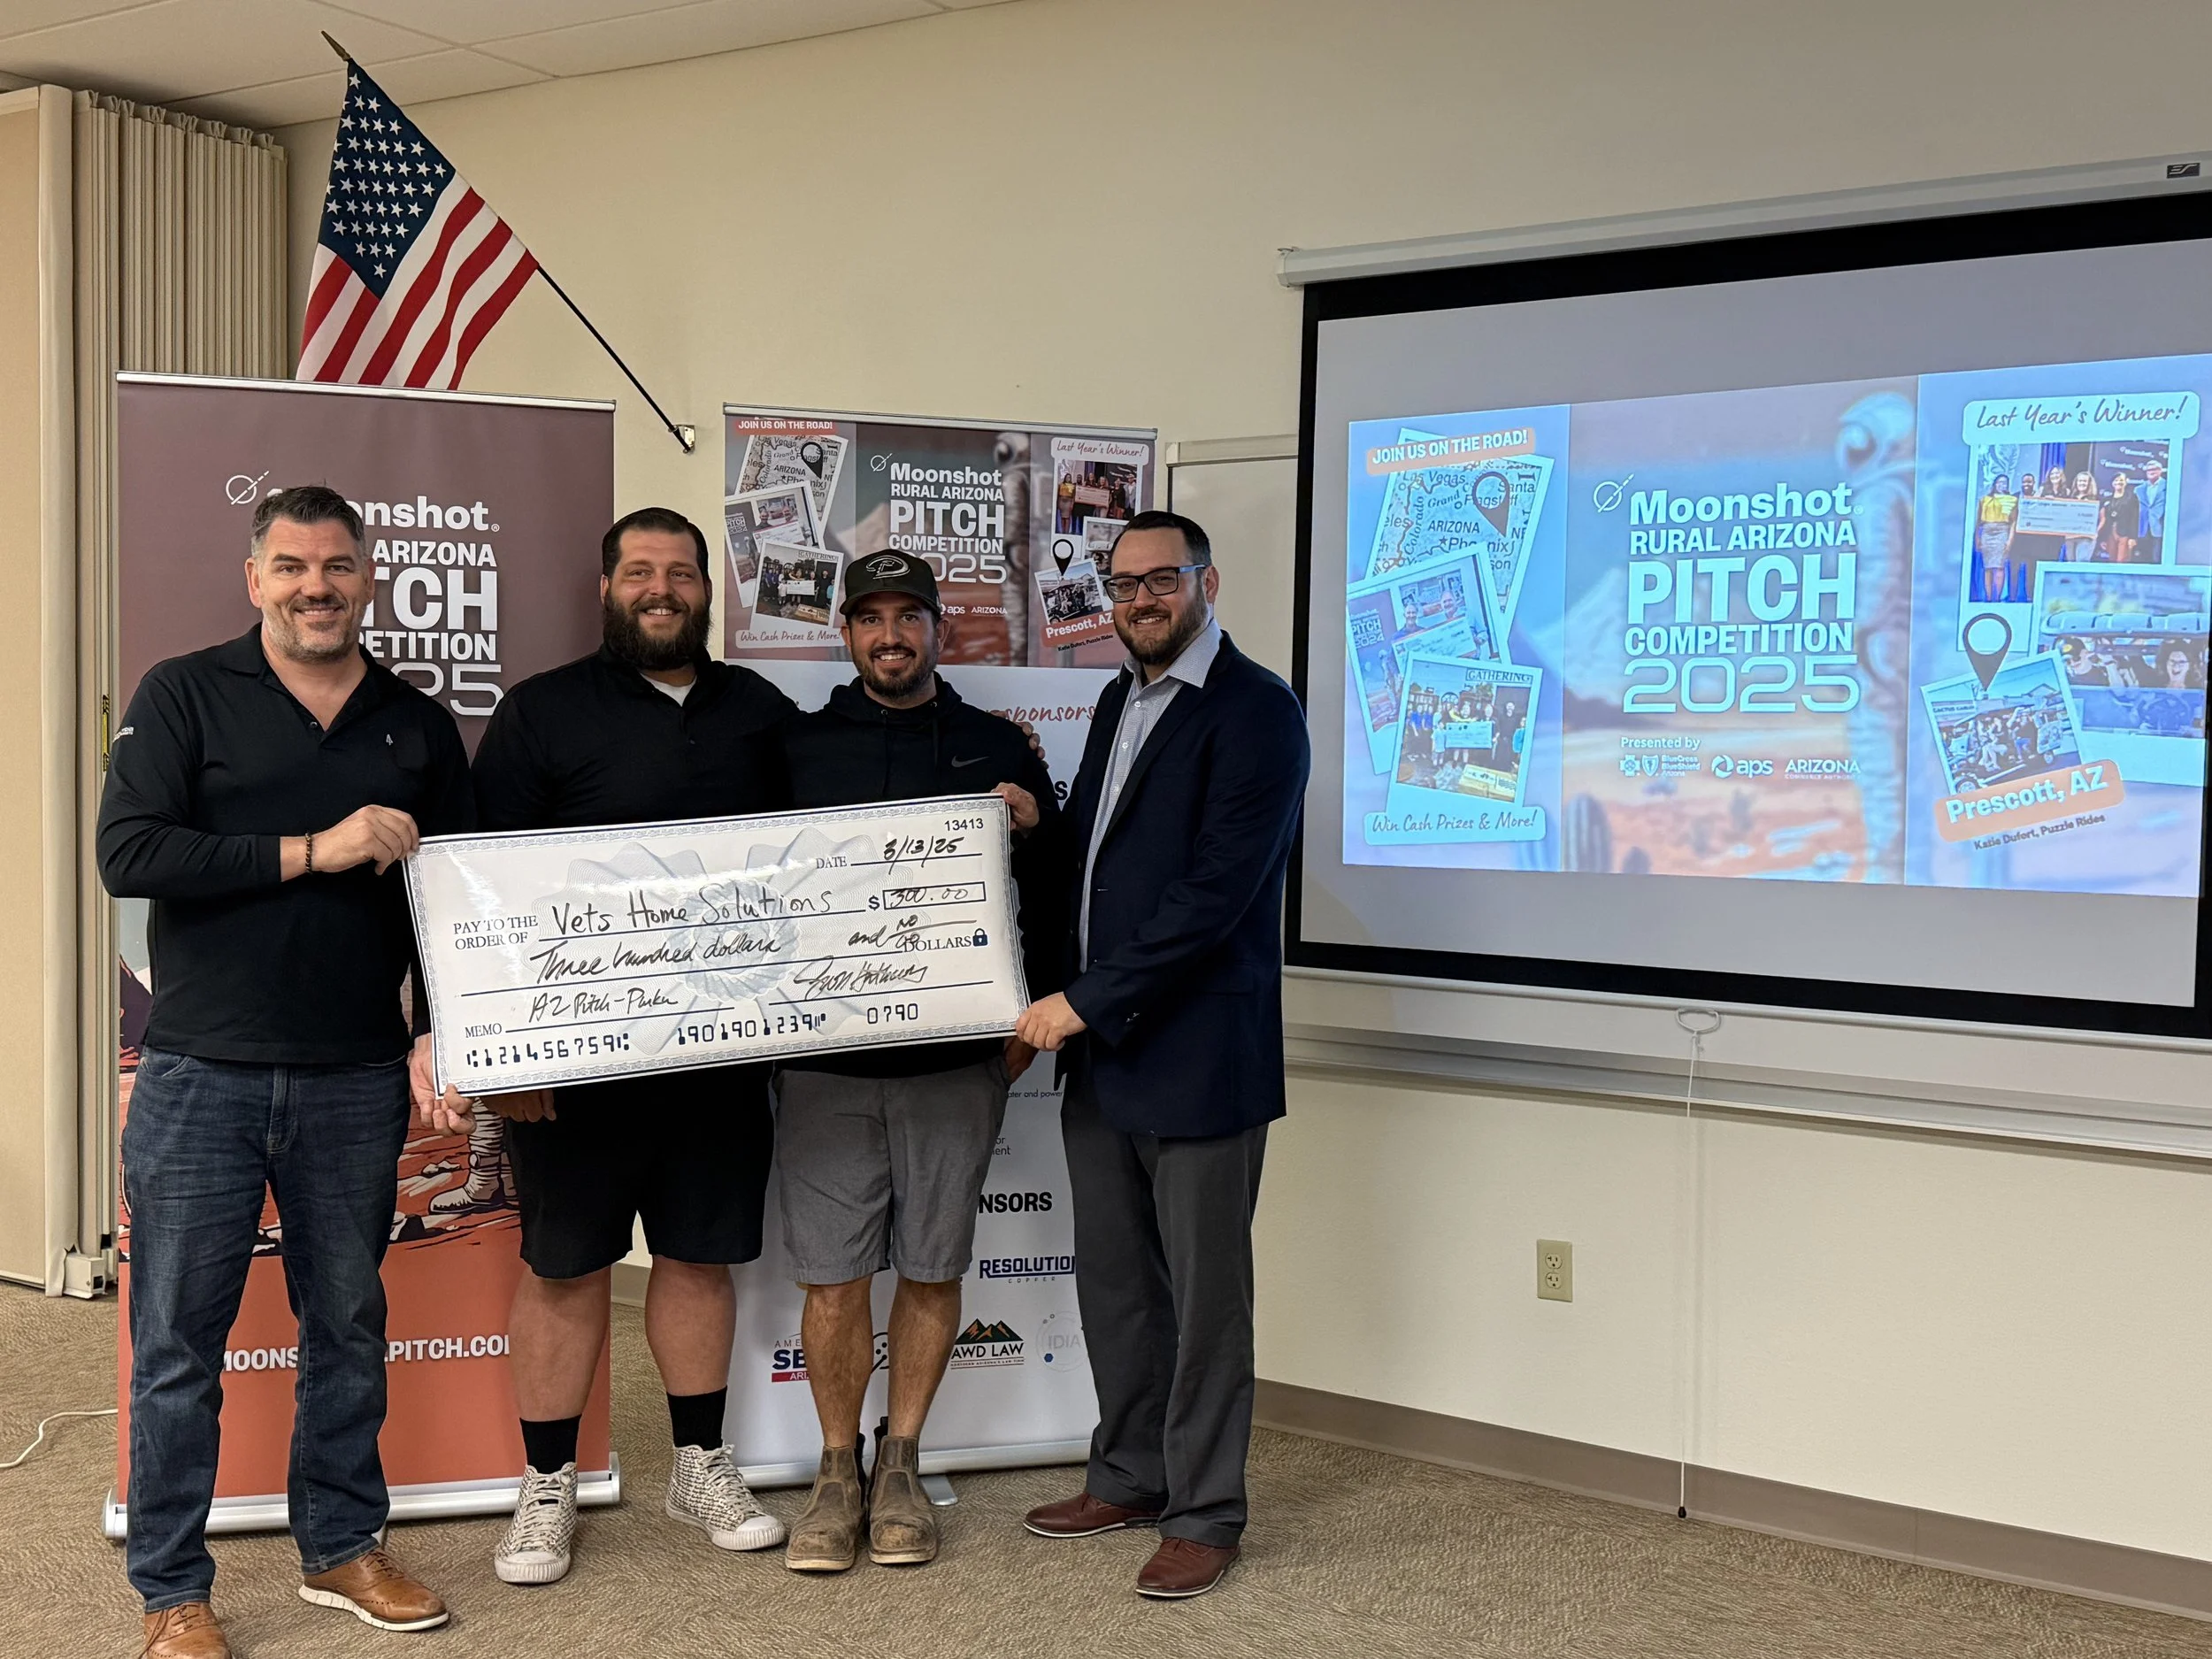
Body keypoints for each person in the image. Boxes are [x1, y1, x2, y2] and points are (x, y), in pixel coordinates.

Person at [97, 486, 471, 1658]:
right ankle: (172, 1589)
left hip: (356, 1072)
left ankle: (342, 1544)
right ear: (254, 577)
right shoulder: (183, 691)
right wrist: (318, 847)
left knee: (350, 1325)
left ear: (371, 580)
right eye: (294, 565)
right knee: (177, 1345)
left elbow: (445, 898)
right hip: (200, 1072)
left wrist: (435, 1027)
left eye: (340, 566)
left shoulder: (417, 722)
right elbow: (128, 849)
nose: (319, 585)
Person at [468, 508, 795, 1587]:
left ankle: (698, 1461)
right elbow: (488, 892)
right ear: (606, 587)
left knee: (699, 1255)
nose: (664, 589)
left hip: (719, 1052)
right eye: (641, 572)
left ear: (710, 591)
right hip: (576, 1066)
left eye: (683, 573)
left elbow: (819, 869)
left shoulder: (760, 711)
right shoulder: (540, 713)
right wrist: (508, 1059)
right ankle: (546, 1482)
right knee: (565, 1267)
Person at [1013, 509, 1310, 1601]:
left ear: (1206, 582)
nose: (1139, 598)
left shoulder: (1258, 713)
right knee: (1119, 1287)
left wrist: (1077, 1004)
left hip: (1198, 1057)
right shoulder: (1113, 698)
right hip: (1103, 1057)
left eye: (1161, 580)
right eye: (1122, 581)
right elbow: (1097, 858)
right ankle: (1130, 1473)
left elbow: (1211, 901)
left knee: (1205, 1302)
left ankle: (1206, 1510)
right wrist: (1028, 826)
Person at [773, 549, 1061, 1573]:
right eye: (870, 618)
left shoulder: (995, 746)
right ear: (844, 633)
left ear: (939, 628)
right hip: (825, 1065)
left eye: (909, 616)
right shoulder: (794, 747)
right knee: (834, 1277)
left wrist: (1028, 1017)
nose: (890, 635)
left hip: (953, 1064)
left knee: (935, 1265)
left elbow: (1057, 889)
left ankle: (901, 1462)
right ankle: (833, 1471)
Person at [1974, 474, 2016, 600]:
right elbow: (1977, 521)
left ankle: (1996, 598)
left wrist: (2010, 540)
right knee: (1988, 567)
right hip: (1987, 532)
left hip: (2002, 531)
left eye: (2005, 483)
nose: (2002, 485)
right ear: (1995, 484)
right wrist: (1977, 538)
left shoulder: (2012, 500)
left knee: (1999, 566)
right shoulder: (1984, 500)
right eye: (2000, 482)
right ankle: (1988, 598)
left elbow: (2014, 521)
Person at [2101, 476, 2139, 563]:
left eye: (2121, 480)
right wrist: (2103, 538)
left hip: (2125, 532)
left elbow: (2134, 518)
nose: (2118, 482)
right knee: (2112, 559)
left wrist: (2133, 537)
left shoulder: (2131, 498)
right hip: (2110, 533)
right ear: (2112, 483)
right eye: (2116, 480)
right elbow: (2104, 520)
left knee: (2122, 560)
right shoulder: (2107, 500)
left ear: (2125, 482)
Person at [2139, 458, 2169, 563]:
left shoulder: (2169, 486)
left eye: (2154, 469)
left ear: (2160, 471)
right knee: (2142, 558)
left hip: (2160, 526)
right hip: (2143, 527)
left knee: (2157, 558)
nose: (2151, 471)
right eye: (2148, 470)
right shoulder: (2139, 489)